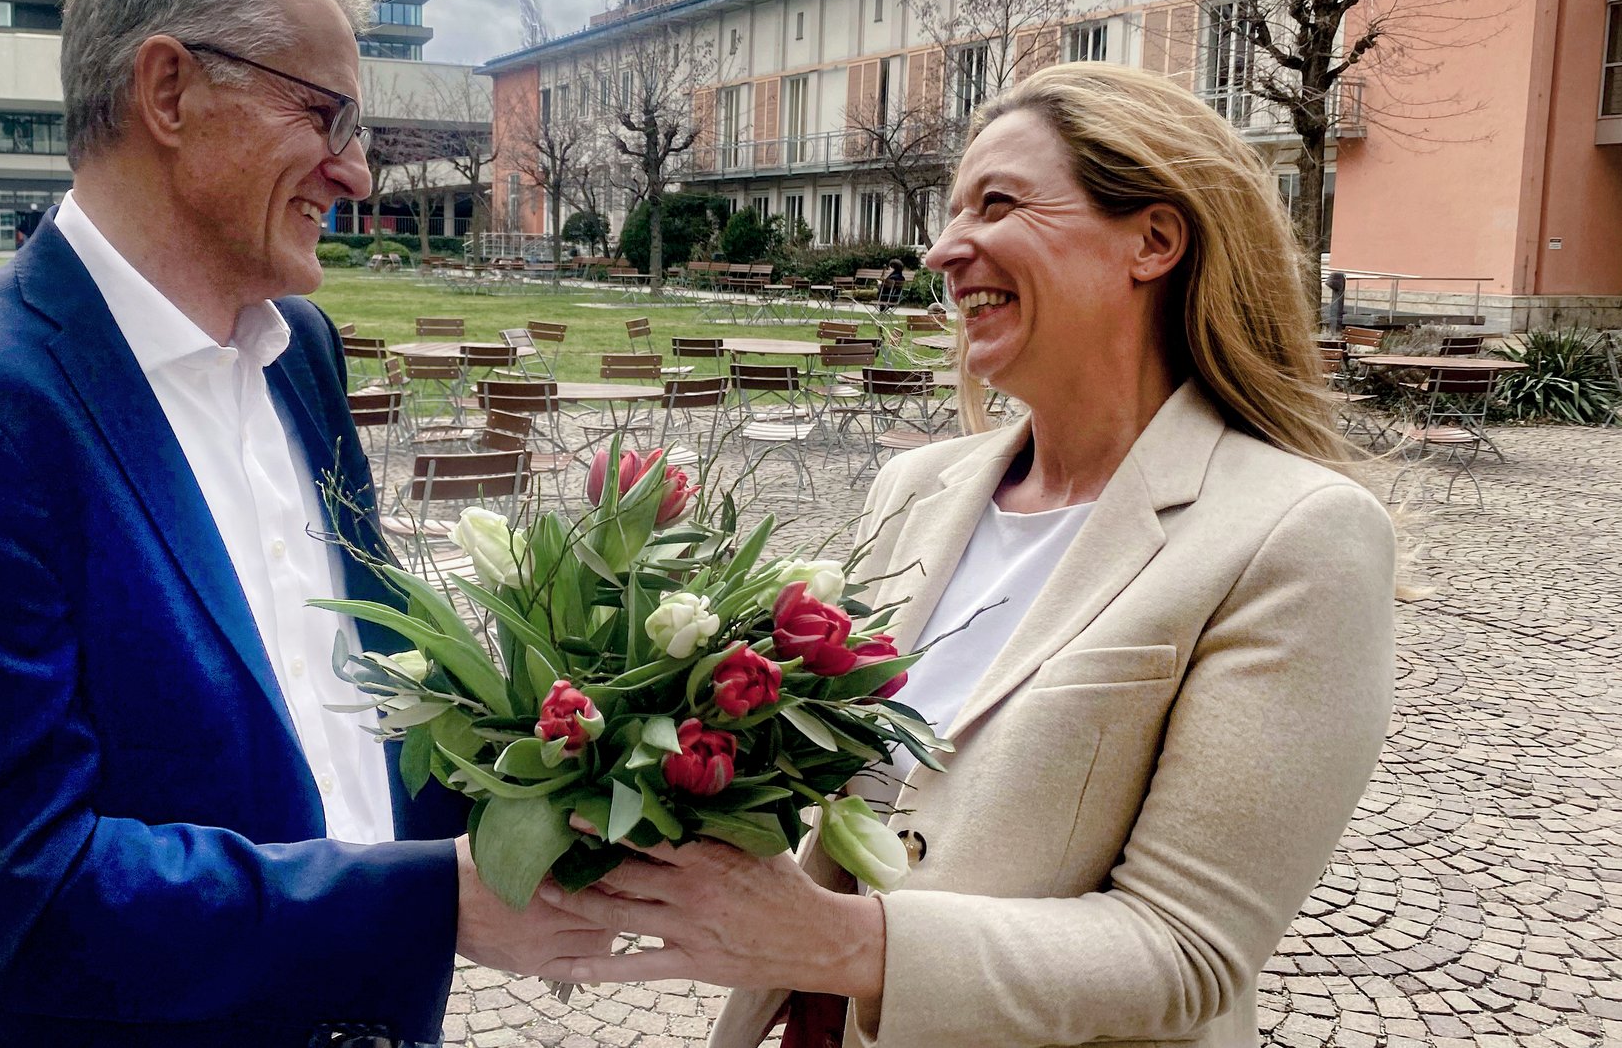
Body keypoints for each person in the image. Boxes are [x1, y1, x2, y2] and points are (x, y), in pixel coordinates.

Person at [0, 0, 611, 1047]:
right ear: (170, 92)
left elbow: (368, 684)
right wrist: (433, 902)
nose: (353, 164)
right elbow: (22, 891)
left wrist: (576, 773)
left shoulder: (303, 355)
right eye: (323, 112)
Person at [538, 63, 1398, 1048]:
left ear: (1152, 239)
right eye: (949, 213)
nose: (945, 249)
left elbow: (1183, 951)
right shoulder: (913, 489)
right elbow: (834, 781)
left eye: (996, 204)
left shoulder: (1295, 533)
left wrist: (845, 944)